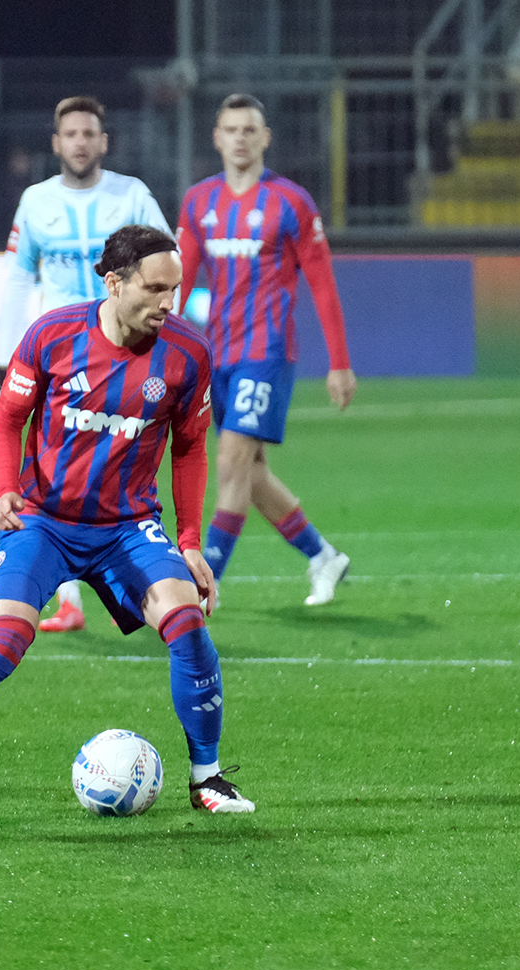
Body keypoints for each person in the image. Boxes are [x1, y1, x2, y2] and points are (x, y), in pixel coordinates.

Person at [0, 225, 255, 820]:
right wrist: (6, 490)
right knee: (2, 642)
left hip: (128, 527)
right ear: (114, 281)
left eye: (176, 290)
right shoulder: (53, 335)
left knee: (188, 626)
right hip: (43, 522)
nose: (169, 302)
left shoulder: (188, 353)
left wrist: (187, 542)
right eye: (155, 289)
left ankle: (207, 778)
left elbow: (189, 449)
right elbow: (6, 422)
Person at [0, 96, 172, 634]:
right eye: (69, 133)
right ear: (56, 143)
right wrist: (6, 358)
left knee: (111, 463)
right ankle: (65, 595)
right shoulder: (34, 202)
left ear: (103, 141)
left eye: (88, 133)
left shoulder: (133, 195)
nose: (79, 141)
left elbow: (171, 262)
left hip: (120, 357)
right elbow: (18, 279)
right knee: (47, 470)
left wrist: (164, 338)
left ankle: (131, 574)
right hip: (56, 354)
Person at [176, 94, 356, 608]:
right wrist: (158, 343)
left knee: (230, 461)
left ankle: (204, 583)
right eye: (230, 129)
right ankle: (324, 556)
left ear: (264, 137)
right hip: (217, 355)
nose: (239, 138)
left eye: (249, 129)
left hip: (267, 352)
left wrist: (340, 363)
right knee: (249, 476)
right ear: (217, 137)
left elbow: (322, 285)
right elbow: (182, 280)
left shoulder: (291, 202)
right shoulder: (198, 203)